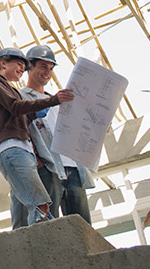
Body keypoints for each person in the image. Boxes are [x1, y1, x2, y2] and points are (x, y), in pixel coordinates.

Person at [0, 47, 74, 228]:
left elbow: (19, 113)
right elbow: (15, 107)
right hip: (13, 149)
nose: (23, 69)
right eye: (19, 64)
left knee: (38, 203)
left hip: (22, 150)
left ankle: (38, 239)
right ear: (3, 63)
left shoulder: (10, 90)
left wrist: (35, 113)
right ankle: (40, 242)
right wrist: (52, 100)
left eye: (24, 66)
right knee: (39, 204)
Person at [12, 45, 94, 227]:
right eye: (42, 66)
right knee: (50, 224)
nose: (47, 72)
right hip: (49, 167)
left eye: (50, 68)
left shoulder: (59, 100)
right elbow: (16, 128)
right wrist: (35, 158)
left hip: (73, 167)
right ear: (28, 67)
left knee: (82, 227)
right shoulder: (20, 97)